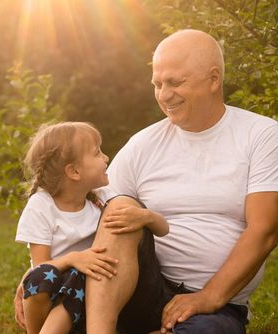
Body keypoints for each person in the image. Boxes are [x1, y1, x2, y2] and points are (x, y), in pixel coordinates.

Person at [82, 29, 278, 334]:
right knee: (120, 207)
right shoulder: (143, 144)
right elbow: (87, 214)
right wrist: (44, 269)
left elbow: (264, 231)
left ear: (213, 79)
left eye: (175, 82)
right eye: (157, 84)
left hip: (216, 303)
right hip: (138, 290)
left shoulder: (261, 135)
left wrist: (208, 296)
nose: (164, 94)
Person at [14, 122, 169, 334]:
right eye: (97, 153)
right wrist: (73, 259)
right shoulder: (41, 206)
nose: (106, 158)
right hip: (57, 292)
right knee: (48, 276)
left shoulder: (103, 199)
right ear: (74, 171)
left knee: (82, 276)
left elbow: (163, 229)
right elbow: (41, 267)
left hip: (95, 297)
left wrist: (145, 216)